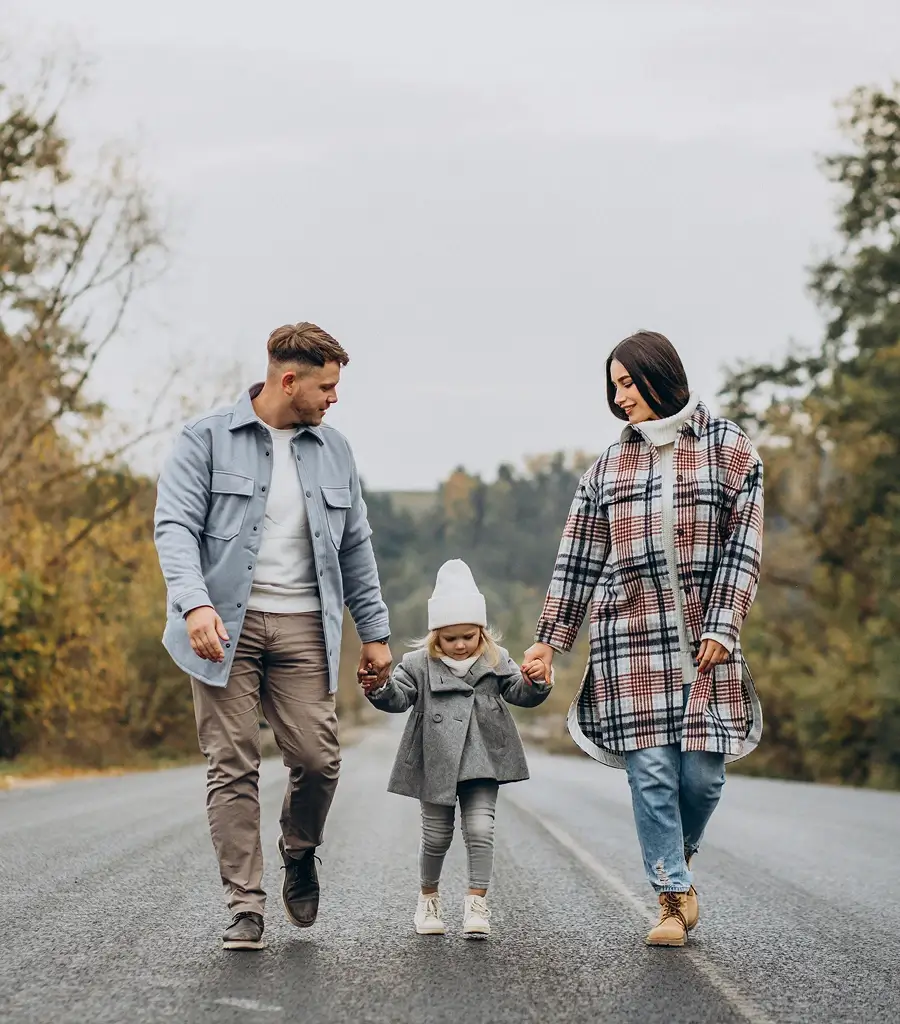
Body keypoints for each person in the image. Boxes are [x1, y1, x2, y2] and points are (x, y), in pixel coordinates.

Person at [154, 321, 392, 951]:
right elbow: (174, 527)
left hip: (306, 626)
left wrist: (375, 633)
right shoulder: (204, 440)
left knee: (318, 760)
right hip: (220, 629)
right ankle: (245, 906)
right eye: (327, 386)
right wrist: (194, 604)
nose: (334, 398)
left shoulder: (334, 449)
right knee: (232, 765)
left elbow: (356, 547)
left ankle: (299, 848)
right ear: (290, 380)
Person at [523, 330, 763, 947]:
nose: (619, 396)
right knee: (651, 771)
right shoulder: (609, 466)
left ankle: (673, 865)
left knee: (701, 778)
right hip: (629, 638)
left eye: (627, 383)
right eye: (614, 387)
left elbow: (744, 549)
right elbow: (576, 558)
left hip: (708, 642)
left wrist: (723, 624)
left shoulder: (731, 449)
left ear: (660, 374)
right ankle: (670, 894)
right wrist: (550, 639)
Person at [360, 559, 551, 938]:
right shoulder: (417, 664)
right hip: (436, 760)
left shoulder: (496, 660)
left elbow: (519, 693)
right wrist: (378, 686)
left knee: (480, 829)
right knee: (436, 836)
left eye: (469, 636)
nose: (461, 645)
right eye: (451, 638)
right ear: (435, 636)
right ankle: (428, 899)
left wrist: (537, 682)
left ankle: (476, 905)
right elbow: (398, 698)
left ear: (482, 632)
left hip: (485, 760)